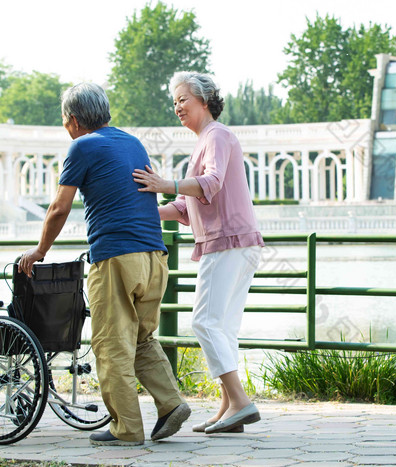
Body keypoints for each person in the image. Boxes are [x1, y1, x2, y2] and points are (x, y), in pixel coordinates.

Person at [18, 82, 190, 446]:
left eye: (65, 120)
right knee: (142, 338)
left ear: (74, 120)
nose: (66, 126)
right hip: (154, 256)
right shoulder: (132, 142)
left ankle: (126, 429)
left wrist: (39, 252)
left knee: (111, 344)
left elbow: (59, 208)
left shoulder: (81, 145)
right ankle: (171, 404)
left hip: (116, 258)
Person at [133, 71, 264, 434]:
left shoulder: (216, 136)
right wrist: (143, 208)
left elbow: (212, 183)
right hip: (237, 242)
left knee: (203, 322)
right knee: (222, 327)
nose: (176, 107)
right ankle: (229, 408)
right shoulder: (206, 140)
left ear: (203, 100)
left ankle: (239, 401)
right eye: (174, 101)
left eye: (182, 99)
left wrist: (166, 183)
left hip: (227, 242)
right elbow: (184, 206)